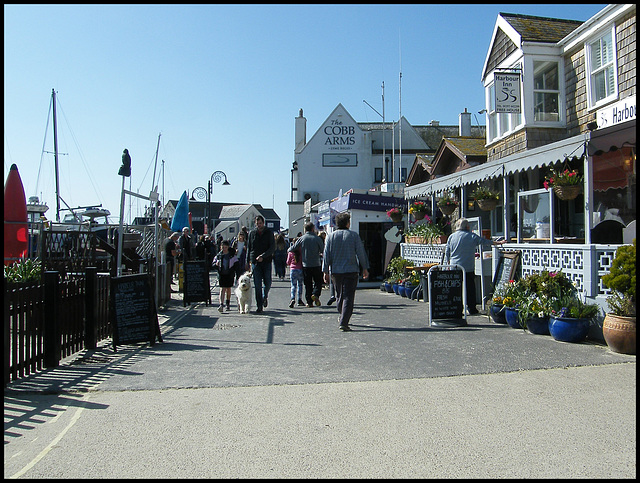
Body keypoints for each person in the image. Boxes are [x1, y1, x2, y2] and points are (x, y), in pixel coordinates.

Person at [444, 218, 507, 315]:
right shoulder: (472, 236)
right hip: (468, 266)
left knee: (456, 289)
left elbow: (447, 251)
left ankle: (456, 308)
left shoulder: (451, 237)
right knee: (470, 288)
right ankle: (472, 308)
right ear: (467, 227)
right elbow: (485, 242)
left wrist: (447, 263)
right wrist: (498, 243)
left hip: (455, 266)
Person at [322, 212, 370, 331]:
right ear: (348, 223)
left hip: (336, 271)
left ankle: (342, 314)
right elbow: (360, 253)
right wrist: (364, 267)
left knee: (339, 294)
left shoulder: (330, 237)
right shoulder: (354, 236)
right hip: (351, 270)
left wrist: (325, 271)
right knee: (348, 296)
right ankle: (344, 321)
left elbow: (326, 255)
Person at [289, 222, 325, 307]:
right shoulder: (317, 238)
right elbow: (323, 250)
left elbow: (293, 248)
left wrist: (289, 250)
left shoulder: (302, 238)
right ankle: (315, 294)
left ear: (305, 229)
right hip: (316, 263)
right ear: (313, 229)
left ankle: (309, 302)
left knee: (308, 283)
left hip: (306, 265)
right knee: (318, 281)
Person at [245, 215, 275, 313]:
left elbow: (272, 248)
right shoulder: (252, 233)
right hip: (255, 262)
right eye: (257, 224)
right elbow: (249, 248)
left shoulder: (269, 233)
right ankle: (259, 305)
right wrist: (247, 261)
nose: (259, 225)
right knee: (257, 285)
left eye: (260, 223)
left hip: (266, 261)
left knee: (268, 282)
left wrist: (263, 256)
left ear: (263, 223)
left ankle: (264, 296)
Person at [212, 240, 239, 312]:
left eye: (225, 247)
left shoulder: (232, 255)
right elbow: (213, 263)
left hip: (229, 274)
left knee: (228, 289)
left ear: (228, 247)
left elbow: (236, 263)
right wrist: (216, 265)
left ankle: (228, 303)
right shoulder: (219, 255)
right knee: (222, 289)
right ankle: (221, 304)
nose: (224, 249)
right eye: (223, 247)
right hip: (221, 274)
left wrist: (234, 269)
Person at [319, 231, 336, 305]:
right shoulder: (352, 236)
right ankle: (340, 297)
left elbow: (326, 255)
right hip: (346, 266)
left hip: (333, 265)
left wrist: (325, 271)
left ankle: (333, 295)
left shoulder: (330, 239)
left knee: (333, 281)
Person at [286, 241, 305, 308]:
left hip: (293, 269)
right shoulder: (301, 252)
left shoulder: (291, 253)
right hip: (300, 269)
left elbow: (288, 262)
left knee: (293, 285)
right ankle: (299, 299)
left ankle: (292, 298)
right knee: (300, 285)